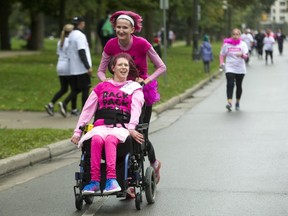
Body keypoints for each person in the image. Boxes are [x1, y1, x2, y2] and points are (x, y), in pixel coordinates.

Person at [97, 11, 166, 186]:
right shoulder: (111, 45)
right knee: (118, 133)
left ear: (132, 29)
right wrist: (107, 83)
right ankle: (127, 178)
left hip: (139, 92)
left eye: (124, 27)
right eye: (118, 27)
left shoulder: (142, 44)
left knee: (139, 135)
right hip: (117, 96)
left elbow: (161, 67)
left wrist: (146, 80)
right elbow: (100, 70)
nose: (120, 30)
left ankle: (153, 163)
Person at [71, 53, 145, 195]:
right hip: (101, 126)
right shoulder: (101, 87)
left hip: (121, 128)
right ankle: (94, 181)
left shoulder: (134, 88)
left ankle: (112, 180)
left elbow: (136, 109)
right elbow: (87, 110)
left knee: (111, 139)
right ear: (113, 68)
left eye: (126, 65)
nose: (123, 67)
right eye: (120, 65)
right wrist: (77, 132)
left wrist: (131, 128)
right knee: (96, 139)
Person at [58, 16, 92, 117]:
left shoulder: (71, 35)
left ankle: (65, 103)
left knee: (77, 89)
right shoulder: (80, 35)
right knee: (85, 88)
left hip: (73, 67)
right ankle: (84, 112)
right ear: (82, 23)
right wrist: (87, 67)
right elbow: (81, 51)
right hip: (81, 68)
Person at [45, 24, 77, 116]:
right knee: (74, 89)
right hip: (68, 66)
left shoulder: (60, 41)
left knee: (64, 89)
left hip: (60, 66)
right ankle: (71, 108)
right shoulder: (70, 41)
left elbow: (58, 54)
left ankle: (51, 104)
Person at [220, 28, 248, 111]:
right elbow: (222, 55)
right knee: (230, 84)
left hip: (240, 68)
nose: (235, 36)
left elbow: (246, 57)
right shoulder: (226, 45)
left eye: (237, 34)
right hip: (230, 67)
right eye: (234, 34)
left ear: (239, 35)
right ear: (231, 35)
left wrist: (242, 55)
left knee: (239, 86)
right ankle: (229, 102)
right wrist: (221, 63)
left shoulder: (243, 44)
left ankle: (237, 102)